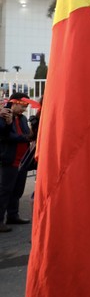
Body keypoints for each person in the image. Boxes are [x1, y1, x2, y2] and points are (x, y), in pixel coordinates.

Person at [0, 94, 32, 232]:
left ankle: (13, 215)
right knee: (4, 191)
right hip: (9, 159)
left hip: (22, 160)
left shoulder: (23, 119)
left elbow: (27, 134)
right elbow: (6, 136)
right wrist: (26, 138)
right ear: (14, 103)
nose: (24, 110)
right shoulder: (4, 116)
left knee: (17, 191)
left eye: (26, 107)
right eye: (23, 106)